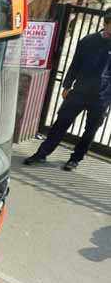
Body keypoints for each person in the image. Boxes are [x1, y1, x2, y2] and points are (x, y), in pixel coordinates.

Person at [24, 10, 111, 171]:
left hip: (101, 97)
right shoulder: (88, 41)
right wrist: (66, 86)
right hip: (78, 92)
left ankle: (75, 159)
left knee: (90, 130)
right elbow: (75, 64)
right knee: (61, 123)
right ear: (105, 24)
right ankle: (42, 153)